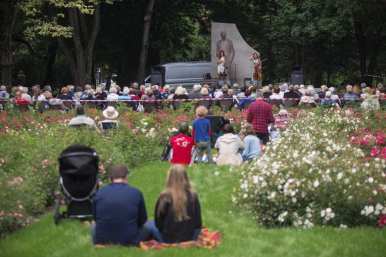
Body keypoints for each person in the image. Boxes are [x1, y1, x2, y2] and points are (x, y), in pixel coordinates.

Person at [91, 164, 151, 246]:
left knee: (93, 226)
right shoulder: (136, 192)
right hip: (130, 238)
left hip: (103, 239)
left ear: (109, 179)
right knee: (149, 226)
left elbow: (96, 218)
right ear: (127, 177)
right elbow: (142, 220)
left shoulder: (100, 193)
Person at [152, 165, 202, 243]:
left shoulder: (164, 196)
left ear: (169, 178)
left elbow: (158, 222)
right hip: (189, 237)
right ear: (185, 178)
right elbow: (198, 223)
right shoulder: (193, 195)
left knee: (150, 225)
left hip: (167, 238)